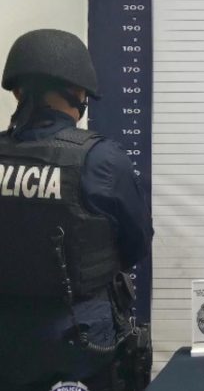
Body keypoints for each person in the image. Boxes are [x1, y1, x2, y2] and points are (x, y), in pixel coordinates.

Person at [0, 29, 153, 391]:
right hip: (82, 344)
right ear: (78, 92)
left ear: (18, 92)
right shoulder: (101, 159)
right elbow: (135, 245)